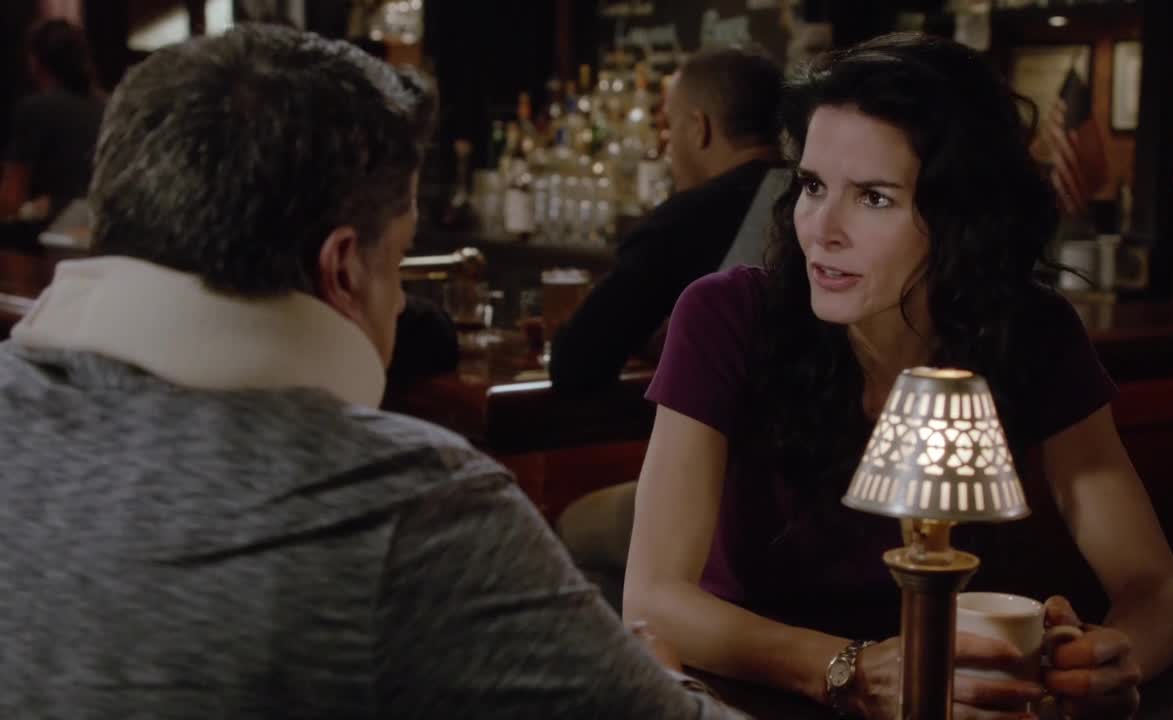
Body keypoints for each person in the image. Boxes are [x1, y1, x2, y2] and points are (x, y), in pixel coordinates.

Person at [0, 25, 744, 719]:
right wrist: (668, 678)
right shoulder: (407, 505)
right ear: (344, 269)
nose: (399, 299)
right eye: (401, 257)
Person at [623, 33, 1173, 720]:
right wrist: (848, 669)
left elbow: (1159, 588)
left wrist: (1112, 660)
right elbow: (652, 599)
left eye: (873, 198)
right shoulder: (728, 314)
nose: (821, 229)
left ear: (959, 218)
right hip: (751, 698)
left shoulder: (1030, 329)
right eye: (812, 186)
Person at [549, 46, 785, 393]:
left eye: (669, 125)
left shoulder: (684, 221)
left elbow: (576, 362)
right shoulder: (817, 199)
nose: (665, 145)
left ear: (699, 128)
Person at [0, 18, 104, 221]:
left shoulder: (35, 109)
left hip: (53, 231)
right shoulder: (109, 105)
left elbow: (11, 199)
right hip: (101, 228)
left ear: (35, 61)